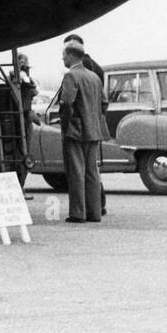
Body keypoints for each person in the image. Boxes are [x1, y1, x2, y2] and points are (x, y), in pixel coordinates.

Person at [57, 40, 109, 222]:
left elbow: (66, 104)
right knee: (92, 172)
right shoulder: (94, 77)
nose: (63, 59)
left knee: (76, 172)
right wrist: (93, 119)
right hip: (94, 131)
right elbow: (104, 103)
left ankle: (78, 213)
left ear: (71, 56)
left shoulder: (71, 76)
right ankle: (94, 213)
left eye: (64, 56)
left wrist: (66, 125)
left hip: (76, 132)